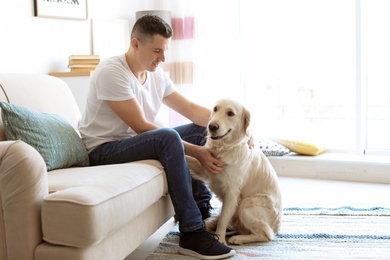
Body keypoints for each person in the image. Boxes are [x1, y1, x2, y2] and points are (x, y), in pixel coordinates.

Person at [79, 14, 236, 259]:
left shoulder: (156, 74)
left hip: (136, 143)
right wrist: (196, 152)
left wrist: (235, 129)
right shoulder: (112, 72)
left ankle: (202, 210)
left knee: (199, 128)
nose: (162, 58)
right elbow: (142, 126)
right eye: (157, 51)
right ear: (135, 44)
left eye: (165, 51)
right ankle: (191, 233)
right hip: (103, 150)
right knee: (167, 136)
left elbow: (193, 111)